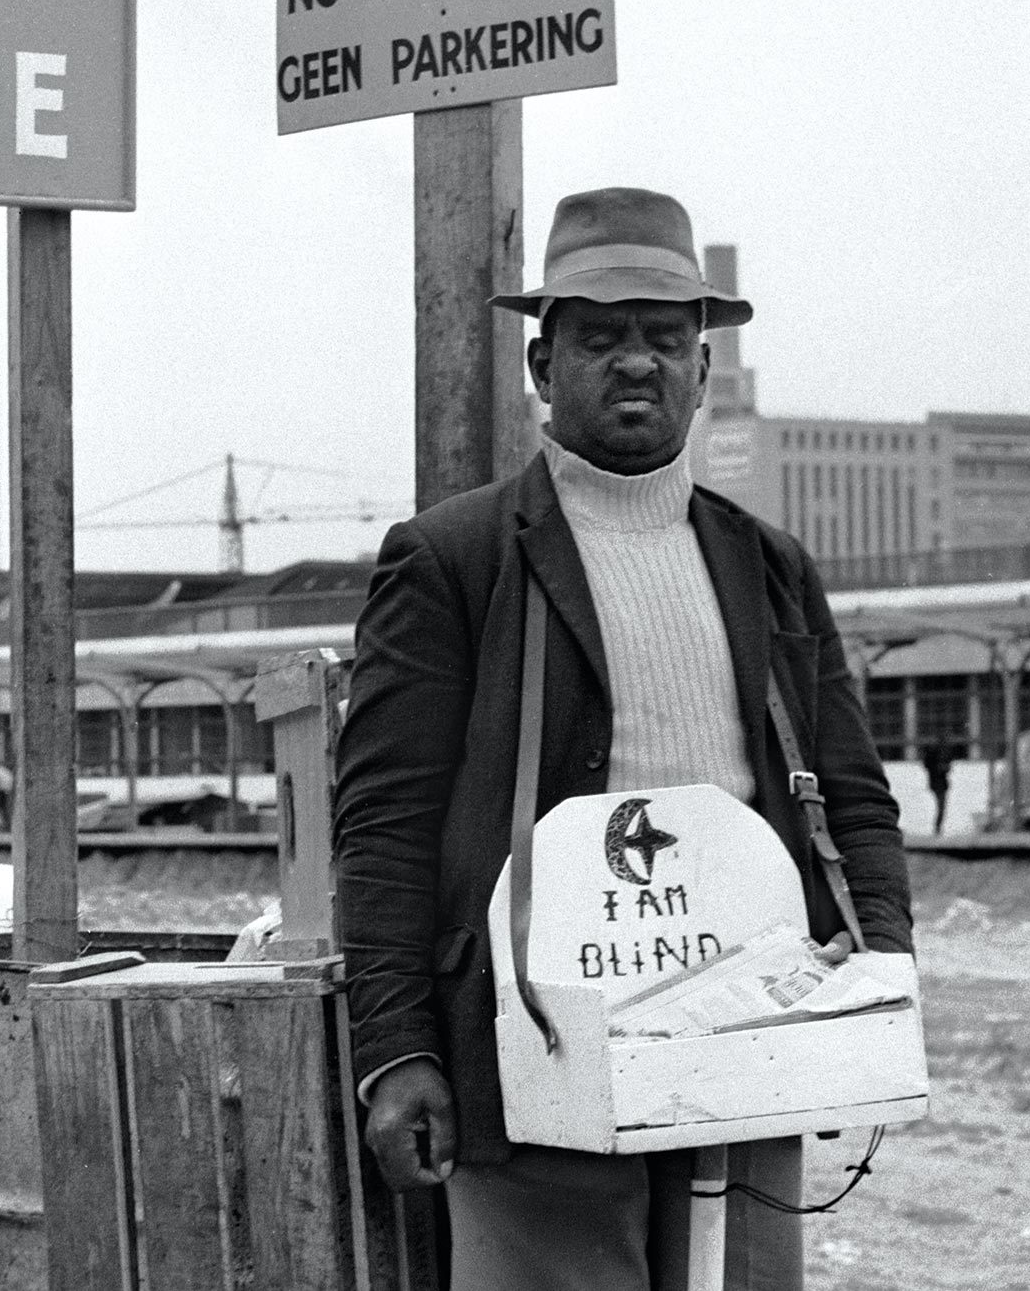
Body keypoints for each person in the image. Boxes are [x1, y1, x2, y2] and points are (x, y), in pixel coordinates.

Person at [333, 188, 913, 1291]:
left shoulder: (769, 564)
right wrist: (397, 1050)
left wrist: (881, 962)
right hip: (538, 1045)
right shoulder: (454, 560)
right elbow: (387, 826)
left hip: (747, 1037)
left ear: (702, 365)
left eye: (662, 336)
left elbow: (851, 791)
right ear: (545, 366)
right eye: (600, 336)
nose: (636, 362)